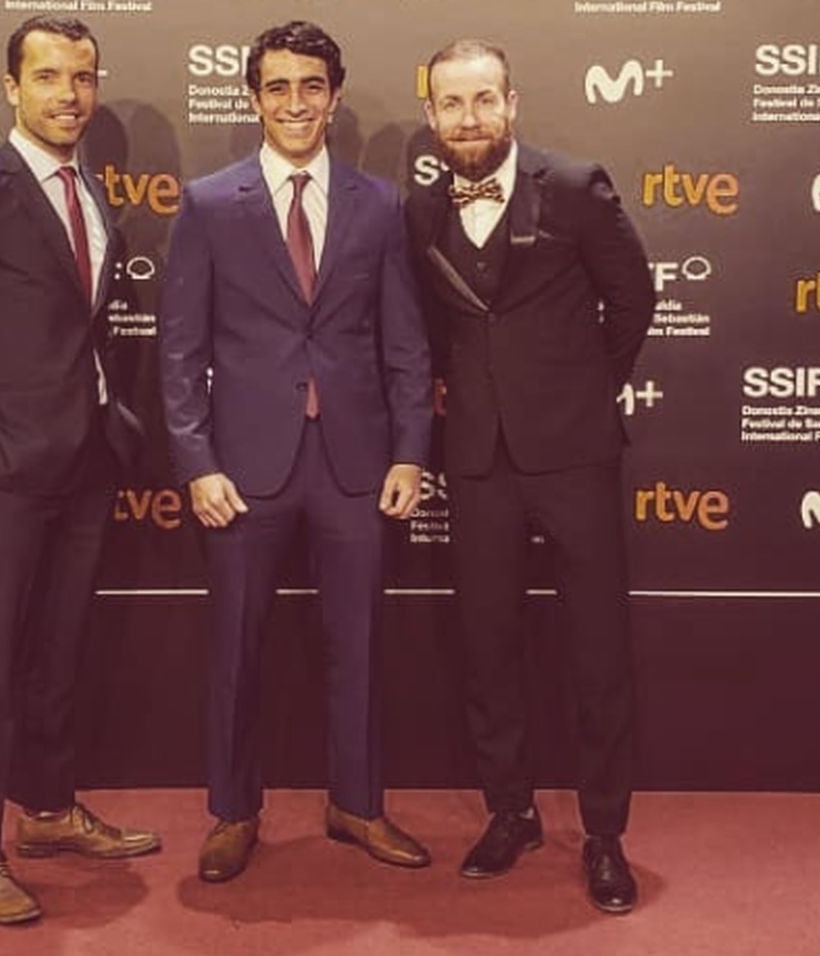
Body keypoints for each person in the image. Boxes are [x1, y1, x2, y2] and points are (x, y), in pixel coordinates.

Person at [159, 20, 433, 883]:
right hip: (243, 468)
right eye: (277, 87)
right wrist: (197, 462)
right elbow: (179, 350)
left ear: (334, 96)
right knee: (237, 646)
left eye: (311, 86)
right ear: (253, 98)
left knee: (360, 642)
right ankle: (235, 810)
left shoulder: (379, 204)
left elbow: (405, 343)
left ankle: (358, 804)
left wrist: (410, 451)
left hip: (356, 463)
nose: (295, 103)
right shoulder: (209, 204)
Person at [405, 39, 655, 913]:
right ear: (431, 114)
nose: (468, 118)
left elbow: (634, 299)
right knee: (487, 645)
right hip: (477, 458)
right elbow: (432, 330)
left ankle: (605, 833)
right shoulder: (420, 207)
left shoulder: (576, 186)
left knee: (598, 649)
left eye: (483, 100)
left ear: (511, 103)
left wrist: (582, 392)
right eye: (451, 103)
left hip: (576, 453)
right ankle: (509, 811)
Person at [0, 15, 158, 926]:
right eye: (49, 76)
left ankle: (50, 811)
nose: (69, 94)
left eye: (83, 77)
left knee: (59, 651)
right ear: (11, 87)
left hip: (86, 457)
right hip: (10, 469)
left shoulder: (88, 186)